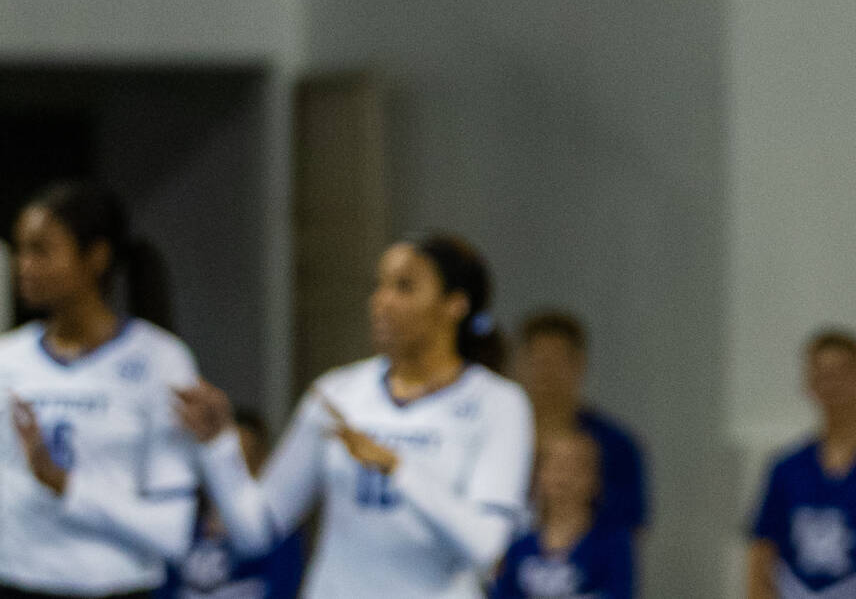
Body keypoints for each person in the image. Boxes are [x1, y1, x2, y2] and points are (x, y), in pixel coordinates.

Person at [180, 232, 535, 599]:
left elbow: (487, 545)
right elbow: (256, 530)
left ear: (455, 304)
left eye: (404, 287)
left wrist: (399, 469)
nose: (382, 302)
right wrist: (216, 446)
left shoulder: (499, 402)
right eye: (378, 286)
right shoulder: (337, 394)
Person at [0, 181, 205, 599]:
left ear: (96, 257)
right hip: (18, 584)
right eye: (21, 250)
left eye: (41, 250)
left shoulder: (161, 360)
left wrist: (68, 487)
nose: (24, 265)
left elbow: (173, 533)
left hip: (115, 586)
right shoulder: (9, 357)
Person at [749, 331, 856, 599]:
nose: (833, 386)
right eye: (822, 376)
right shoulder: (787, 469)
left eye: (842, 374)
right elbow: (761, 555)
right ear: (809, 384)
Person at [515, 311, 651, 544]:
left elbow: (628, 530)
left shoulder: (615, 446)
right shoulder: (501, 437)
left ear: (579, 364)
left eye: (557, 362)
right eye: (538, 362)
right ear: (518, 365)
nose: (547, 375)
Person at [161, 408, 306, 599]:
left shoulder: (278, 530)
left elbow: (283, 590)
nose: (231, 476)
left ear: (262, 464)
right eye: (223, 462)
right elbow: (163, 589)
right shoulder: (181, 523)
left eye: (243, 462)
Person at [491, 427, 635, 599]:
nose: (564, 476)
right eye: (555, 465)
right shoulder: (519, 546)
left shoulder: (612, 543)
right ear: (538, 475)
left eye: (576, 467)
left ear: (596, 479)